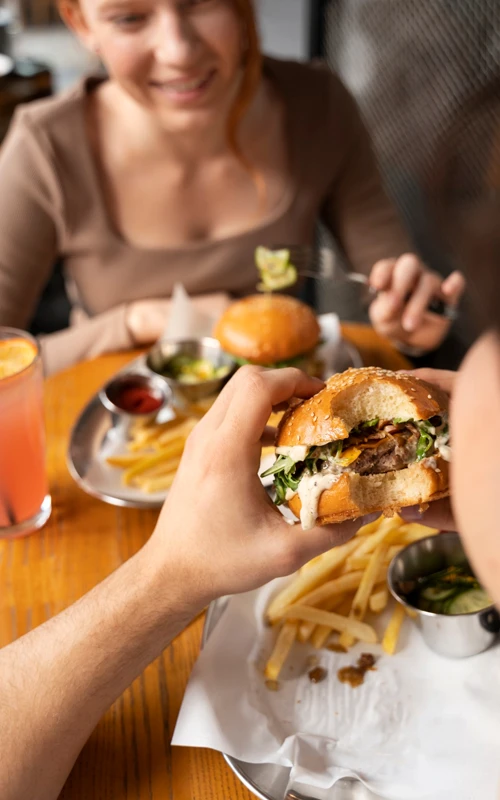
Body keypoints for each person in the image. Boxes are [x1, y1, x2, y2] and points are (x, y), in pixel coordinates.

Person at [0, 0, 465, 375]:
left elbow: (389, 276)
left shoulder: (318, 105)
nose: (179, 51)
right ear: (80, 23)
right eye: (129, 18)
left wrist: (410, 315)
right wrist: (134, 321)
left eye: (200, 2)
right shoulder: (43, 148)